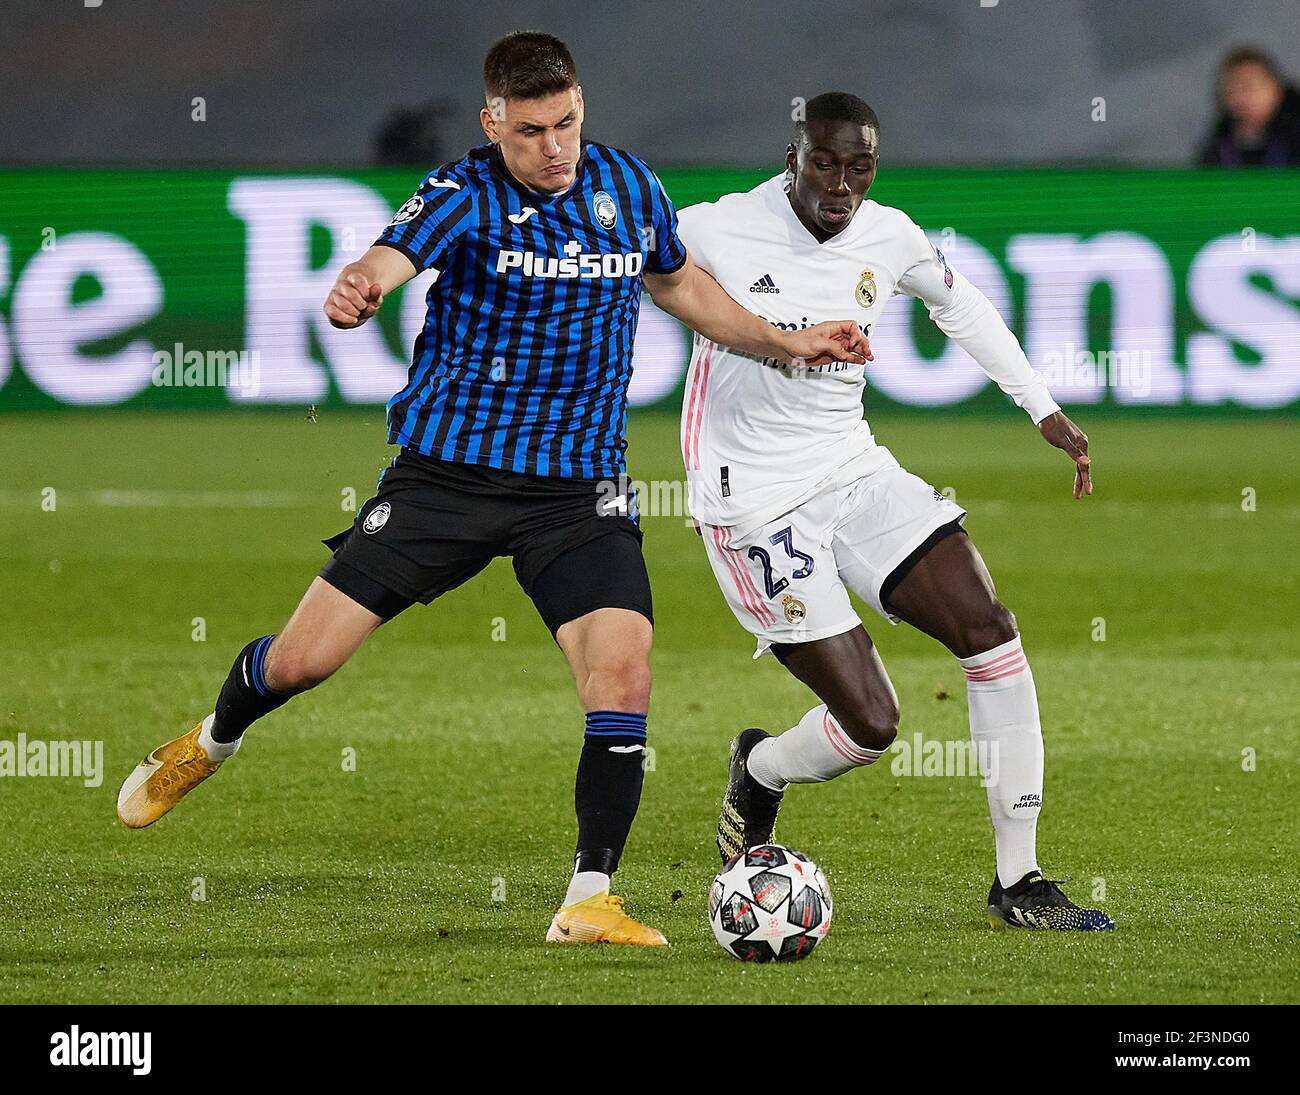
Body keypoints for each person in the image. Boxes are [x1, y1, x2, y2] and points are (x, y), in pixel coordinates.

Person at [115, 34, 868, 947]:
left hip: (578, 490)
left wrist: (791, 342)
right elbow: (390, 258)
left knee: (622, 674)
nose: (553, 148)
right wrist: (361, 286)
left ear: (583, 107)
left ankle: (588, 897)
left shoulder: (629, 188)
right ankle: (213, 737)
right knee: (303, 662)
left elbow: (683, 288)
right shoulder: (465, 192)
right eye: (530, 131)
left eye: (566, 124)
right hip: (448, 476)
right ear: (492, 123)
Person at [678, 92, 1114, 931]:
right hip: (752, 501)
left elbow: (963, 305)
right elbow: (630, 276)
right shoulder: (716, 226)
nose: (842, 184)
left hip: (850, 468)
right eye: (826, 163)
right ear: (793, 157)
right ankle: (762, 767)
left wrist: (1042, 409)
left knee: (989, 625)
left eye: (861, 166)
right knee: (872, 723)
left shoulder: (891, 235)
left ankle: (1018, 879)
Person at [1199, 47, 1300, 166]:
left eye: (1250, 87)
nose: (1241, 97)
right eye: (1233, 89)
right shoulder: (1219, 146)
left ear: (1276, 89)